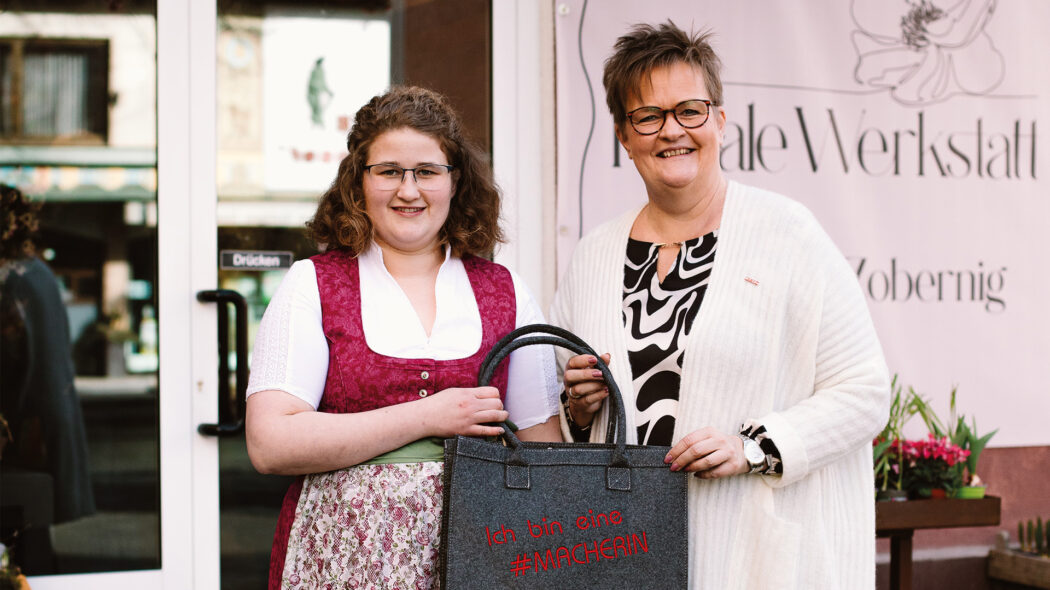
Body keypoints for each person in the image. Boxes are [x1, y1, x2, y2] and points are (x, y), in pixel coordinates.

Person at [551, 23, 890, 589]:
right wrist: (579, 408)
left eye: (690, 110)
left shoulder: (788, 235)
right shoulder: (594, 256)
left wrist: (753, 447)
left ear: (720, 121)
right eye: (648, 116)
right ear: (622, 135)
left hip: (751, 556)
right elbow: (565, 415)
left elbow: (865, 392)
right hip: (623, 554)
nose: (672, 131)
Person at [245, 86, 562, 589]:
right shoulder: (314, 283)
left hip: (480, 555)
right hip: (344, 558)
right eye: (389, 171)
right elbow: (271, 443)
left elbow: (543, 450)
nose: (408, 190)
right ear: (358, 182)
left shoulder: (505, 291)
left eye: (427, 172)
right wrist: (426, 416)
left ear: (456, 182)